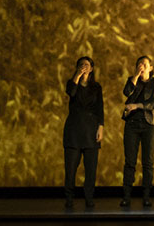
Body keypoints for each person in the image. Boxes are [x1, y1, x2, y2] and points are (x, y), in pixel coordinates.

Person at [120, 55, 154, 207]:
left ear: (151, 68)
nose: (141, 66)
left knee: (147, 162)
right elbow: (126, 92)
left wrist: (137, 106)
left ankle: (146, 197)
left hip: (149, 125)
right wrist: (136, 77)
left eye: (144, 64)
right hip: (132, 124)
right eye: (139, 64)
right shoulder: (133, 81)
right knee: (130, 161)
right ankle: (126, 197)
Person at [63, 56, 103, 209]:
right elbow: (71, 92)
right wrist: (78, 76)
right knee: (71, 168)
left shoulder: (96, 87)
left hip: (91, 130)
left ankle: (89, 198)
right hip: (73, 130)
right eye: (81, 64)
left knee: (91, 168)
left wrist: (101, 128)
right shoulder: (72, 83)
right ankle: (69, 198)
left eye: (87, 65)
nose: (84, 66)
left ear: (92, 68)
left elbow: (100, 108)